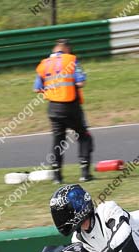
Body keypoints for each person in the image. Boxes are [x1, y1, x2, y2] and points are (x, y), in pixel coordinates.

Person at [34, 39, 94, 184]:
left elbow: (36, 88)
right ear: (66, 49)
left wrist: (52, 91)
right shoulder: (71, 60)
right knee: (84, 136)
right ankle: (85, 173)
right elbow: (81, 82)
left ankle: (57, 177)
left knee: (58, 141)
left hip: (53, 108)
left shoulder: (44, 64)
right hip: (70, 105)